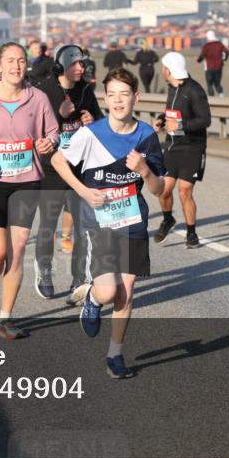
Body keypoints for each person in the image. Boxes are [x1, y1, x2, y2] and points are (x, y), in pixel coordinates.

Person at [52, 67, 164, 379]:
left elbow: (159, 188)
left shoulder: (146, 136)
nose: (117, 101)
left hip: (132, 220)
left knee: (126, 292)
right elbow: (58, 161)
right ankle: (91, 298)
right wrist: (84, 191)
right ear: (105, 98)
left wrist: (144, 171)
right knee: (108, 291)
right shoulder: (91, 134)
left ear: (135, 98)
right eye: (112, 94)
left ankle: (115, 354)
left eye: (124, 95)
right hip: (99, 221)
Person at [0, 42, 59, 339]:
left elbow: (52, 131)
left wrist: (48, 143)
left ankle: (6, 318)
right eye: (11, 61)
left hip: (26, 181)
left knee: (16, 253)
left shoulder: (38, 98)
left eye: (21, 61)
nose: (17, 66)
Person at [32, 44, 104, 303]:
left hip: (80, 169)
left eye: (83, 64)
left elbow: (100, 121)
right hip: (51, 169)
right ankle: (44, 272)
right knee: (48, 225)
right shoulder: (43, 92)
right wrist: (58, 116)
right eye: (75, 64)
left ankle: (79, 279)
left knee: (83, 227)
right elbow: (32, 128)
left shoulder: (86, 90)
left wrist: (92, 121)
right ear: (62, 65)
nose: (81, 68)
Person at [152, 52, 211, 249]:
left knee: (184, 191)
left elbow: (205, 120)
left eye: (163, 68)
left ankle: (191, 233)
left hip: (193, 148)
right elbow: (173, 113)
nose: (162, 71)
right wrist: (161, 119)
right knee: (163, 189)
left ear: (168, 69)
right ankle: (168, 219)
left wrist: (181, 126)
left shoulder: (195, 90)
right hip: (172, 146)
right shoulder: (172, 88)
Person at [197, 30, 229, 97]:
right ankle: (221, 95)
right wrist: (224, 59)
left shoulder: (206, 46)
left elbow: (202, 56)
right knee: (217, 83)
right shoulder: (220, 45)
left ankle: (211, 98)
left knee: (209, 84)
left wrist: (198, 60)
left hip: (209, 68)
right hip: (218, 67)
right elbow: (226, 52)